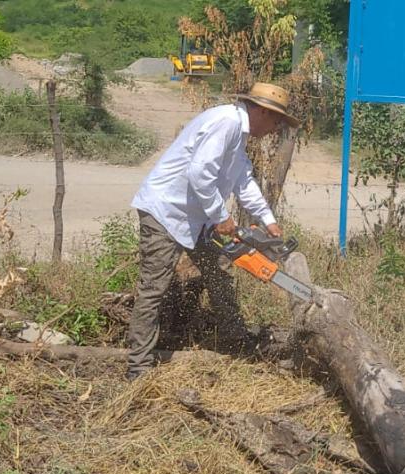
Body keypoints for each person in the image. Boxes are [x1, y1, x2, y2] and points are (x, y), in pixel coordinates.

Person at [126, 82, 301, 381]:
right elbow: (199, 173)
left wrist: (267, 220)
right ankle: (138, 366)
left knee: (219, 275)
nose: (275, 129)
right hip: (167, 211)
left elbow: (243, 182)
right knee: (153, 289)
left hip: (196, 219)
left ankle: (236, 341)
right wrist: (221, 216)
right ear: (261, 111)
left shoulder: (239, 137)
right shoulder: (226, 122)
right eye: (275, 121)